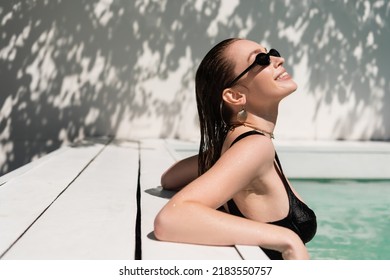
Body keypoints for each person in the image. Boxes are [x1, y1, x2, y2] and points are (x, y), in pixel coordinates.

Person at [154, 38, 317, 260]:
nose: (278, 60)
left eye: (271, 53)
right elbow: (170, 219)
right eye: (261, 60)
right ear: (235, 96)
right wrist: (287, 239)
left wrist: (222, 160)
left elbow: (170, 179)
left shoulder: (235, 144)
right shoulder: (255, 146)